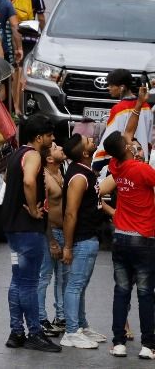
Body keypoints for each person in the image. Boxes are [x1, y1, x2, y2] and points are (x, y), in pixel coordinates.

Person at [2, 114, 61, 353]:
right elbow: (28, 182)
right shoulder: (34, 154)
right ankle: (35, 333)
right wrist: (35, 209)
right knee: (28, 283)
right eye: (49, 135)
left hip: (13, 229)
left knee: (17, 281)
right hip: (28, 229)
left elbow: (9, 179)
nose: (53, 139)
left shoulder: (17, 154)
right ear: (39, 137)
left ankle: (16, 332)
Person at [102, 129, 155, 358]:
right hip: (143, 238)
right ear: (125, 148)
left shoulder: (116, 167)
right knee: (145, 293)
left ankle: (119, 342)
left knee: (121, 292)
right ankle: (147, 345)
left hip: (120, 236)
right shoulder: (142, 169)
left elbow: (126, 135)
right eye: (128, 143)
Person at [59, 134, 109, 350]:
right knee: (75, 286)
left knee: (80, 286)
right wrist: (68, 246)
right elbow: (70, 213)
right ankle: (71, 332)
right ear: (85, 153)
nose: (91, 139)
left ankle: (81, 325)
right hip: (82, 239)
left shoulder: (86, 171)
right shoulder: (79, 177)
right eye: (88, 141)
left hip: (89, 237)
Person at [38, 138, 69, 339]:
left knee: (63, 278)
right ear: (49, 158)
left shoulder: (61, 171)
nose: (61, 148)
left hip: (64, 232)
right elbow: (44, 211)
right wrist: (51, 241)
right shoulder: (45, 177)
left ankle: (61, 317)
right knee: (44, 278)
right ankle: (41, 318)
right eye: (57, 148)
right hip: (51, 233)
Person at [93, 72, 152, 172]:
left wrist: (97, 164)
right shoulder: (146, 107)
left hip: (123, 164)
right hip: (142, 161)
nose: (108, 88)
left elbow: (109, 139)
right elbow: (149, 137)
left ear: (122, 87)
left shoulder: (118, 109)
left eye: (111, 85)